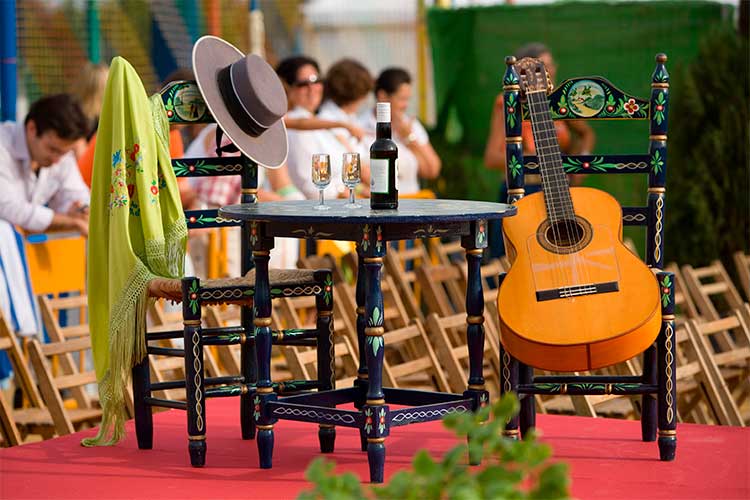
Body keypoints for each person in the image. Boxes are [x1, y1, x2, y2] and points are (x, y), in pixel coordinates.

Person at [484, 43, 595, 258]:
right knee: (519, 260)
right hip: (522, 191)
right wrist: (529, 160)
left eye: (552, 65)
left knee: (562, 255)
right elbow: (491, 157)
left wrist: (581, 165)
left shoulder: (558, 102)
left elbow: (587, 134)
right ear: (525, 73)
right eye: (544, 66)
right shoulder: (507, 103)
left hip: (558, 192)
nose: (551, 70)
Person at [280, 56, 372, 200]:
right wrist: (346, 192)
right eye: (303, 84)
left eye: (317, 81)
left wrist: (359, 190)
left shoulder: (320, 122)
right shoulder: (295, 126)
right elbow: (311, 186)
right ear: (288, 88)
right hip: (317, 212)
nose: (312, 88)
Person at [0, 94, 91, 236]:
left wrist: (81, 209)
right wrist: (72, 222)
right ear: (32, 128)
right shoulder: (2, 145)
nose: (57, 161)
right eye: (52, 149)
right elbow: (7, 208)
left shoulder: (61, 153)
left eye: (63, 153)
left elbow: (77, 194)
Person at [360, 67, 441, 195]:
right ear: (382, 96)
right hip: (379, 201)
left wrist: (409, 138)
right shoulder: (360, 126)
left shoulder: (410, 125)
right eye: (401, 99)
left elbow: (432, 170)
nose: (405, 105)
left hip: (412, 201)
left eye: (408, 99)